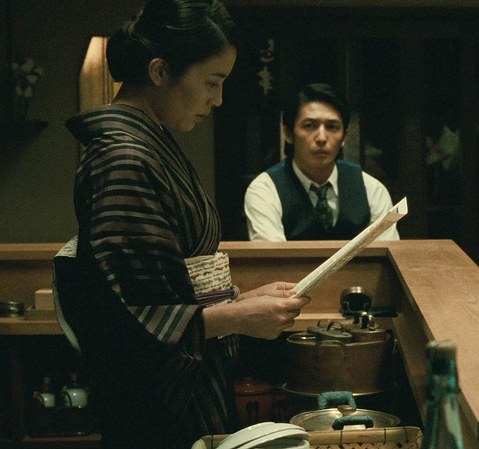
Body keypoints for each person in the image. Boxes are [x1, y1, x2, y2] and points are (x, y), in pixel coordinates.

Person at [53, 1, 310, 447]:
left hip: (188, 377)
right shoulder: (122, 158)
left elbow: (173, 284)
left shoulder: (148, 144)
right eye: (212, 82)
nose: (218, 99)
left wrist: (241, 300)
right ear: (159, 71)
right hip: (156, 402)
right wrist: (238, 317)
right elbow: (136, 317)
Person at [244, 83, 399, 241]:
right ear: (288, 134)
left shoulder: (371, 190)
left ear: (344, 136)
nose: (322, 138)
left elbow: (387, 252)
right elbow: (273, 256)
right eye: (309, 126)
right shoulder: (265, 190)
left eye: (332, 127)